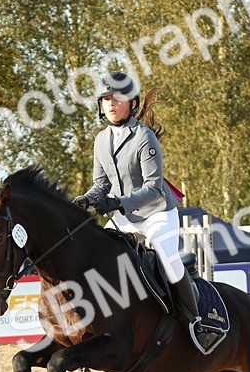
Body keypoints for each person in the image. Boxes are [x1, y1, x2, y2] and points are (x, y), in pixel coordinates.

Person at [72, 71, 220, 351]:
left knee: (167, 258)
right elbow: (101, 185)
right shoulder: (101, 140)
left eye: (117, 98)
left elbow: (153, 188)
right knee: (93, 257)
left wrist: (117, 203)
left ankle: (196, 323)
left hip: (155, 213)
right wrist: (86, 200)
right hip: (123, 217)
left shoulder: (144, 136)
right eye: (106, 99)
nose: (111, 103)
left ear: (132, 103)